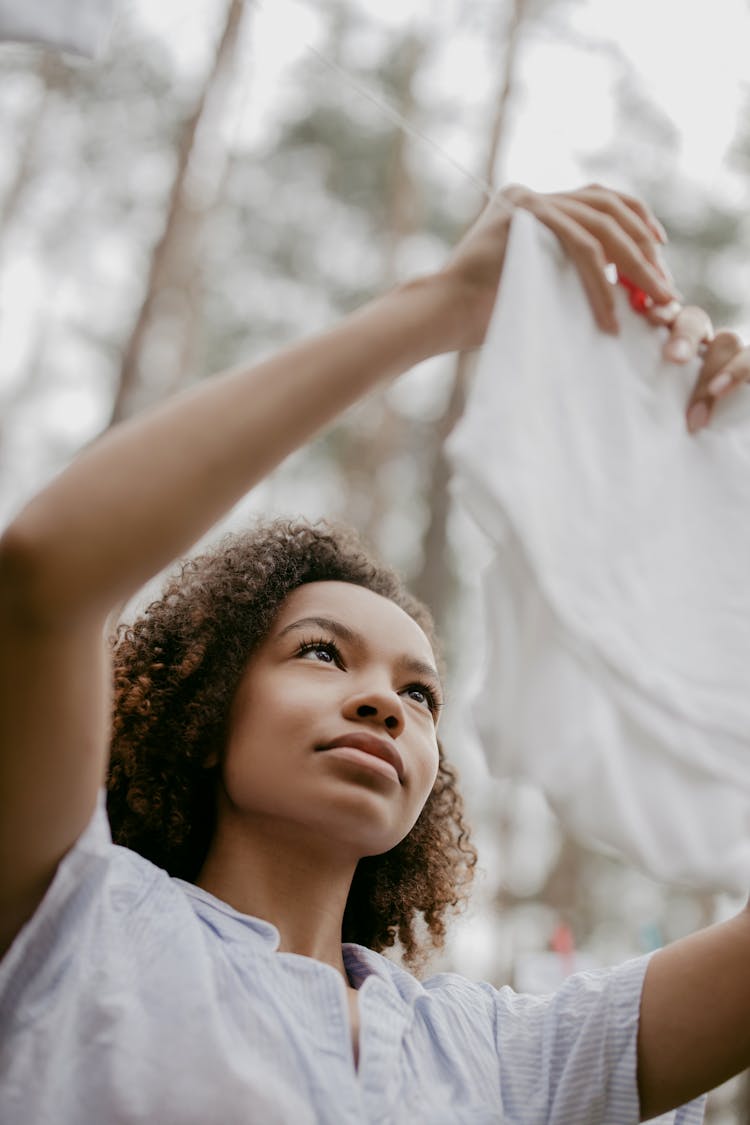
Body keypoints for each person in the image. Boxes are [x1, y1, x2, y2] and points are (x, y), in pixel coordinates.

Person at [1, 184, 749, 1124]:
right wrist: (446, 304)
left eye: (422, 694)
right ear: (206, 704)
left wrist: (726, 484)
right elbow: (43, 576)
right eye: (321, 653)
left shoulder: (507, 1059)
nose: (386, 704)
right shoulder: (72, 918)